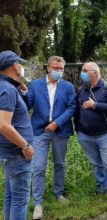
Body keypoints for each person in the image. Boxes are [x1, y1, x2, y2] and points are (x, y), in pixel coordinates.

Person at [26, 56, 76, 219]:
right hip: (39, 131)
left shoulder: (68, 87)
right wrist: (23, 94)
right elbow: (27, 105)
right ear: (48, 68)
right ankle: (38, 203)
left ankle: (58, 193)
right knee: (39, 167)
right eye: (56, 68)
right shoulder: (35, 85)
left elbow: (72, 107)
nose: (59, 71)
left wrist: (57, 123)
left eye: (61, 69)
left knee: (60, 163)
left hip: (60, 130)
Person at [74, 62, 107, 200]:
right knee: (96, 164)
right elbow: (76, 111)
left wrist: (94, 105)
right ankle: (102, 188)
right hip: (85, 135)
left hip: (106, 133)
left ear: (94, 73)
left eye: (85, 70)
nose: (82, 73)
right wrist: (78, 129)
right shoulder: (81, 90)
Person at [0, 50, 34, 220]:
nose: (21, 67)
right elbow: (3, 125)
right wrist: (25, 146)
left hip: (8, 153)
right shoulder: (7, 89)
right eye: (19, 63)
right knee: (20, 199)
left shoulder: (7, 87)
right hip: (16, 153)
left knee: (11, 196)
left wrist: (22, 92)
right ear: (14, 66)